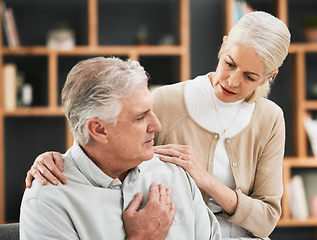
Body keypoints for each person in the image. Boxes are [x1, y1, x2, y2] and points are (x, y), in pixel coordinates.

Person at [25, 11, 291, 239]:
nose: (232, 81)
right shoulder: (163, 101)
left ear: (270, 76)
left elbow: (266, 218)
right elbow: (98, 141)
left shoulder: (269, 119)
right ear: (222, 48)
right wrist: (53, 159)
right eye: (229, 63)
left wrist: (204, 180)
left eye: (250, 76)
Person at [20, 57, 221, 240]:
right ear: (99, 129)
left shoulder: (175, 173)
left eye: (152, 110)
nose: (156, 125)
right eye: (140, 117)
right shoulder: (47, 202)